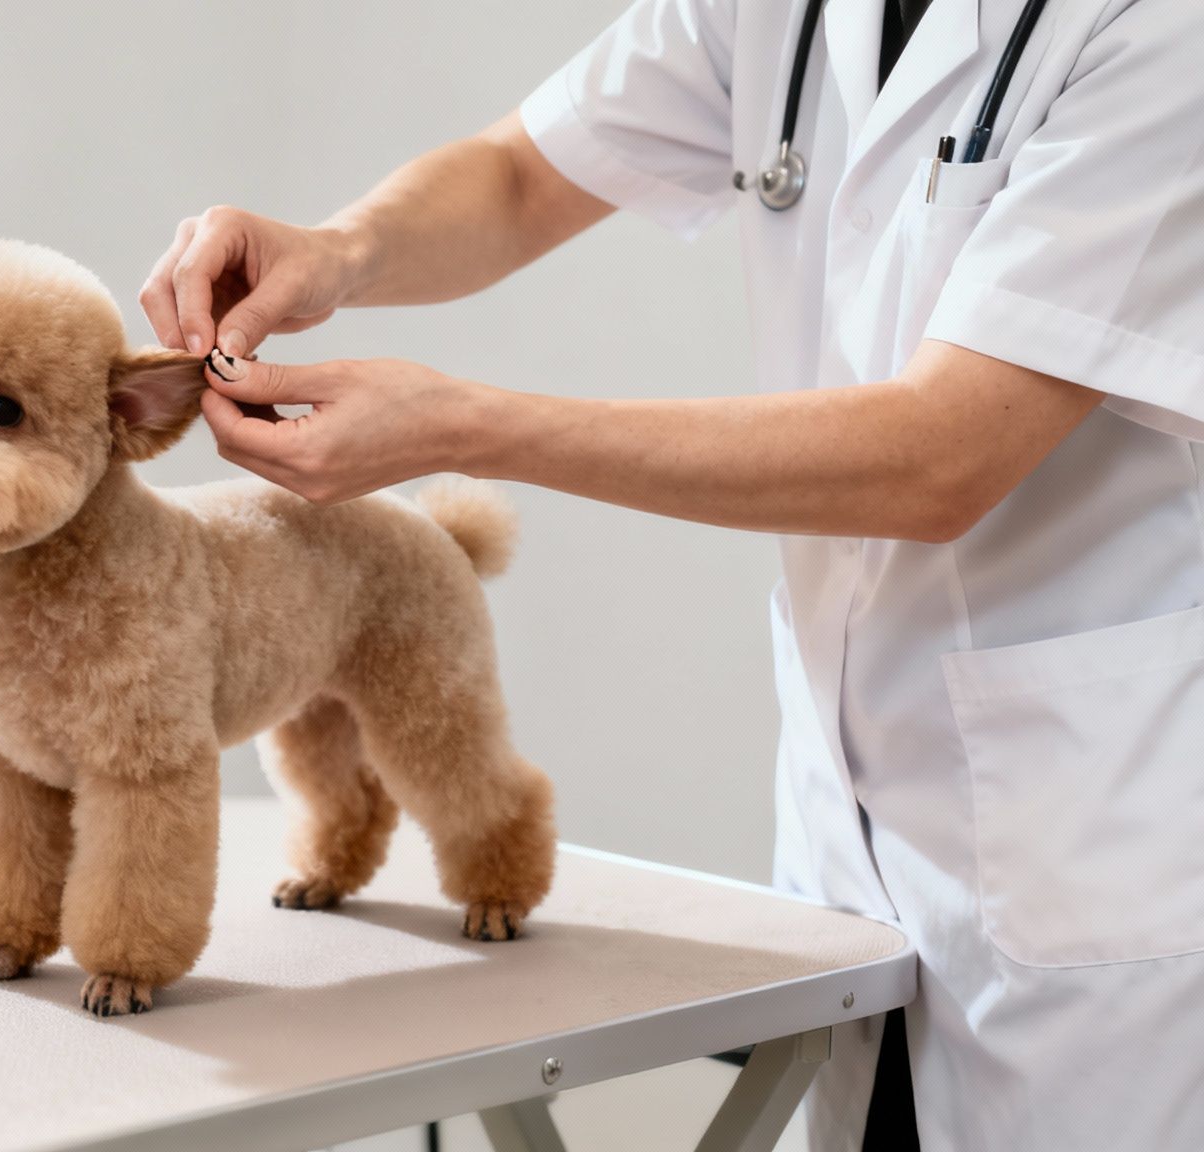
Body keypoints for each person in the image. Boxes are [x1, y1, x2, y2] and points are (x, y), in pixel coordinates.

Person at [139, 2, 1204, 1149]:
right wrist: (337, 250)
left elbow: (942, 455)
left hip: (1093, 845)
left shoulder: (1158, 31)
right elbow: (516, 175)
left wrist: (462, 424)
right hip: (848, 826)